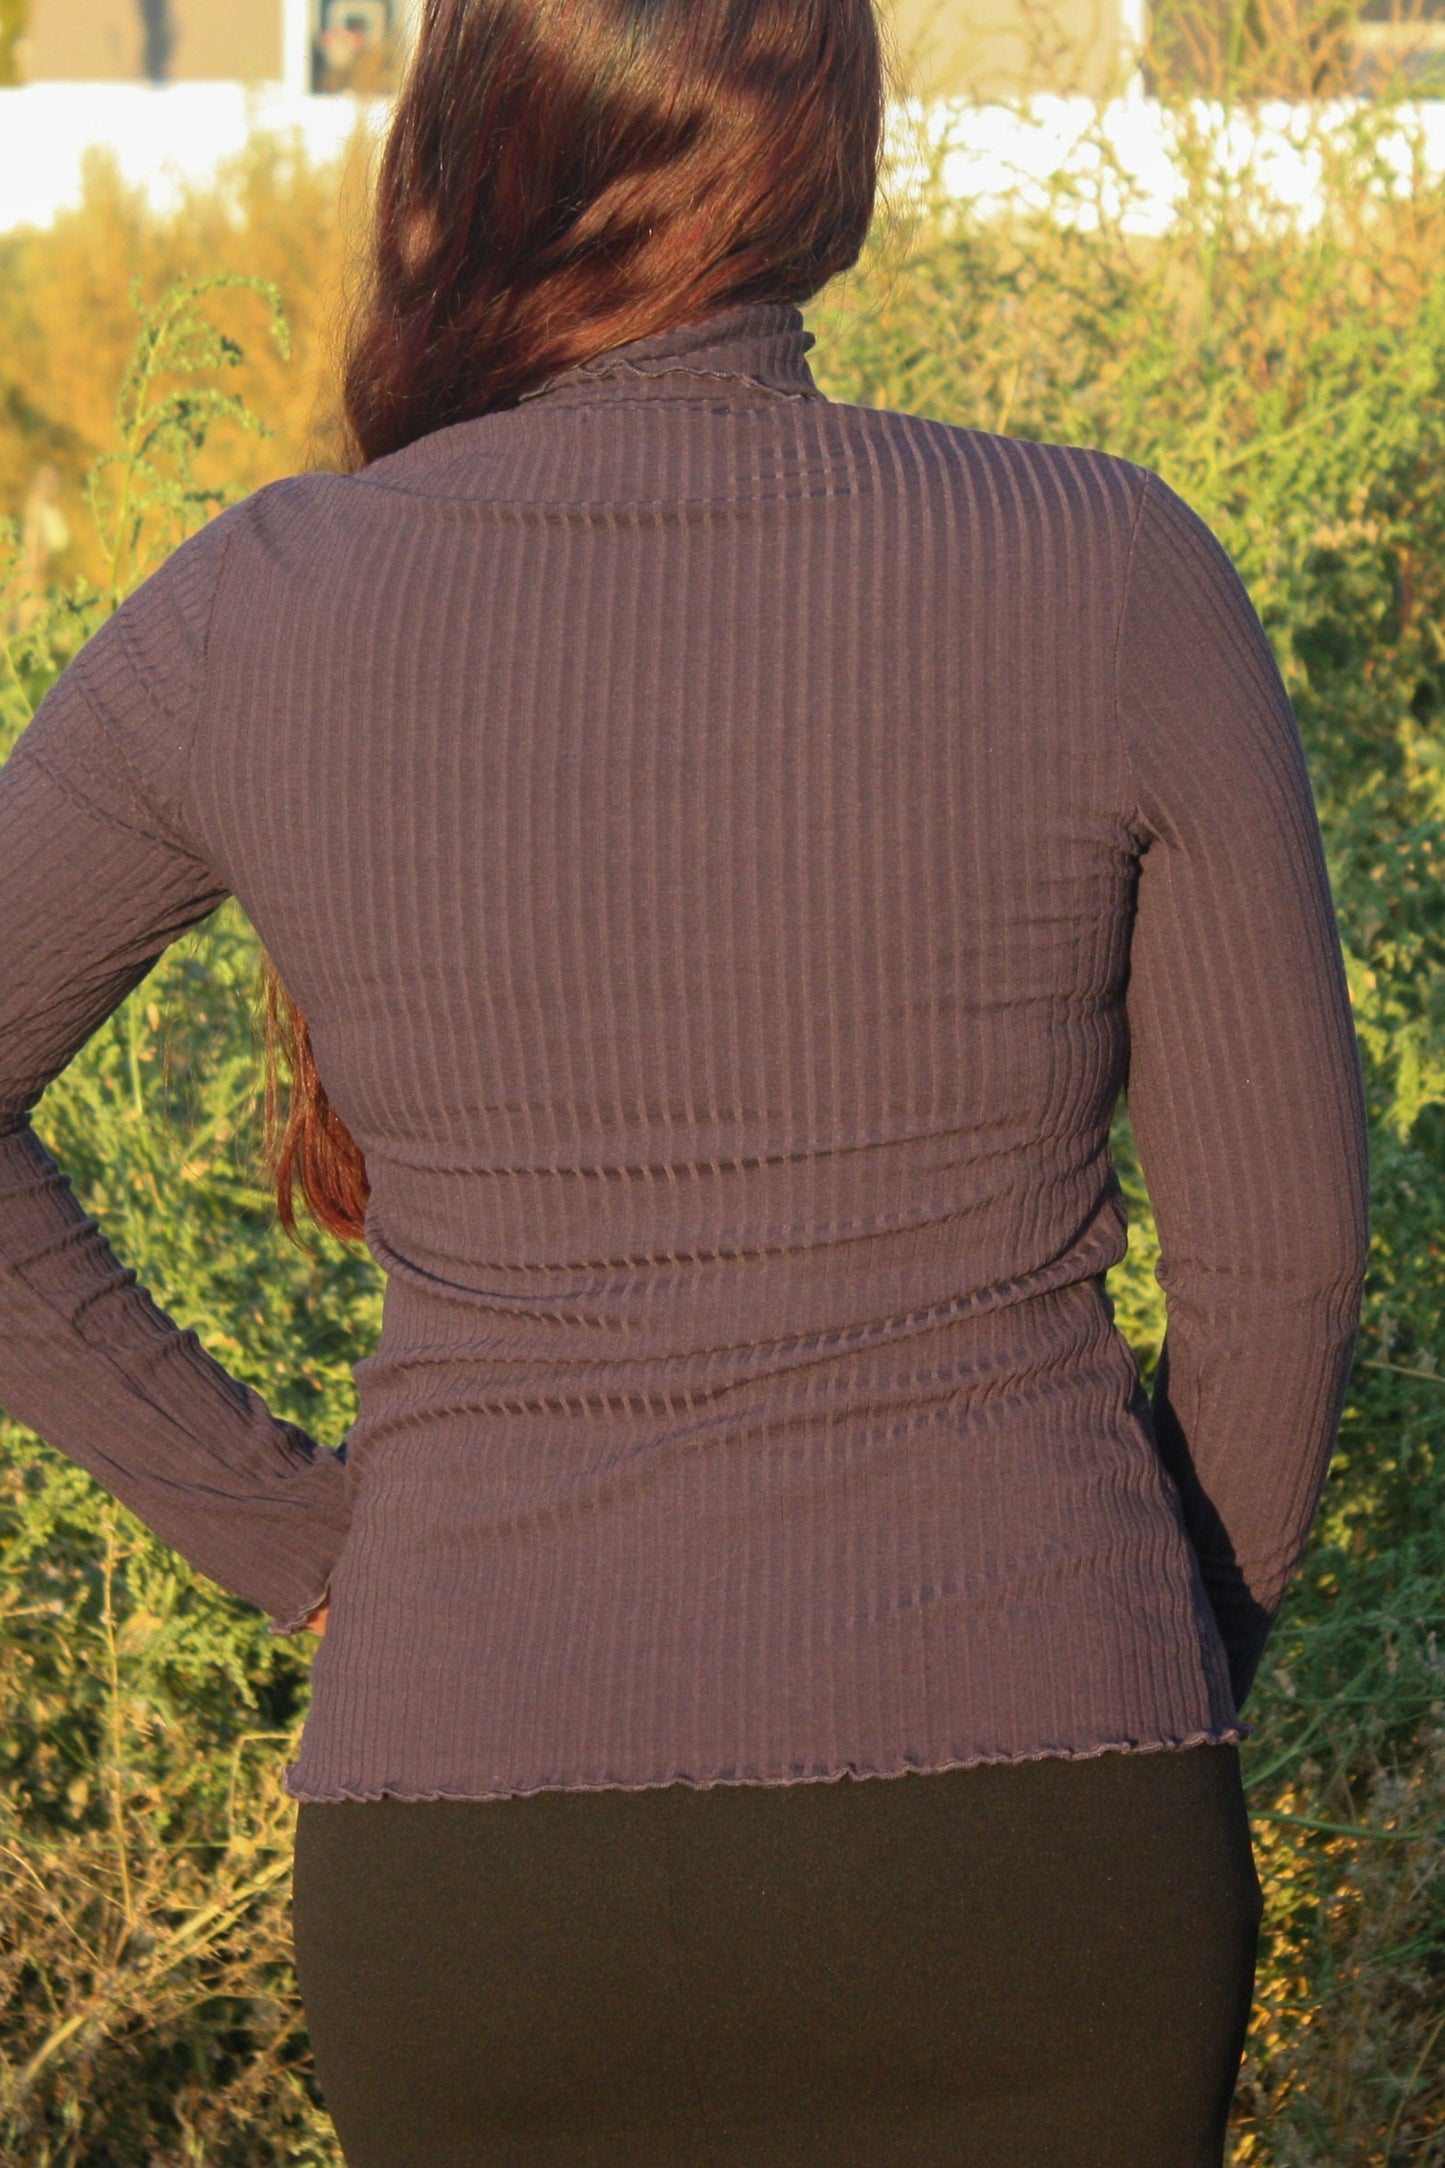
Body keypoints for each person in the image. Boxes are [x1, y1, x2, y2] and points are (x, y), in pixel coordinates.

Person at [0, 0, 1370, 2160]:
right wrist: (1140, 1663)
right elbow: (1283, 1266)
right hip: (1036, 1847)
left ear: (464, 147)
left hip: (479, 1864)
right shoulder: (1112, 570)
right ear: (835, 161)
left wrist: (278, 1527)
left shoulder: (253, 613)